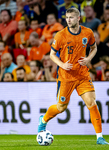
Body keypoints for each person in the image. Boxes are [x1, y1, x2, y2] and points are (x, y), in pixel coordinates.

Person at [38, 8, 109, 145]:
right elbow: (52, 55)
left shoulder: (87, 33)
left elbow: (94, 48)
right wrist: (62, 65)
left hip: (82, 75)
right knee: (61, 107)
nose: (68, 20)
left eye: (71, 17)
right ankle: (43, 119)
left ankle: (99, 137)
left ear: (78, 18)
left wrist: (88, 59)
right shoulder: (60, 35)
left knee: (92, 103)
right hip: (66, 77)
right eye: (67, 17)